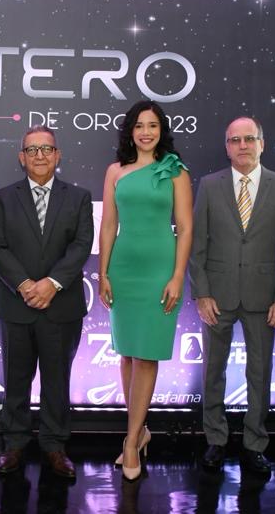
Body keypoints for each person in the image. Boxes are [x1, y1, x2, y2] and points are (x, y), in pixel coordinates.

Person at [189, 117, 275, 475]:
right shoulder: (209, 185)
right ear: (227, 147)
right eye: (235, 140)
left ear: (261, 144)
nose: (242, 146)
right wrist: (202, 293)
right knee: (213, 371)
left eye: (249, 139)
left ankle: (255, 443)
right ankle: (215, 439)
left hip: (263, 297)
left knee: (260, 372)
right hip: (217, 296)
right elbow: (197, 245)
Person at [0, 126, 94, 480]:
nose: (39, 156)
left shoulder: (78, 197)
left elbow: (81, 246)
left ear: (57, 155)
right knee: (15, 379)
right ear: (22, 158)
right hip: (16, 305)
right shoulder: (3, 198)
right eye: (32, 150)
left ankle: (54, 445)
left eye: (46, 149)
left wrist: (51, 284)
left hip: (61, 306)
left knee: (57, 380)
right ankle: (14, 443)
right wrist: (25, 285)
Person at [98, 100, 192, 482]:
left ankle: (131, 442)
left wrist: (177, 276)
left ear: (161, 130)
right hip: (123, 271)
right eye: (139, 125)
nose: (146, 132)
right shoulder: (115, 171)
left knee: (147, 356)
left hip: (159, 271)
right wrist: (103, 273)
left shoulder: (175, 170)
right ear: (130, 131)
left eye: (152, 125)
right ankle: (139, 431)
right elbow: (108, 225)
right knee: (126, 354)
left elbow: (185, 227)